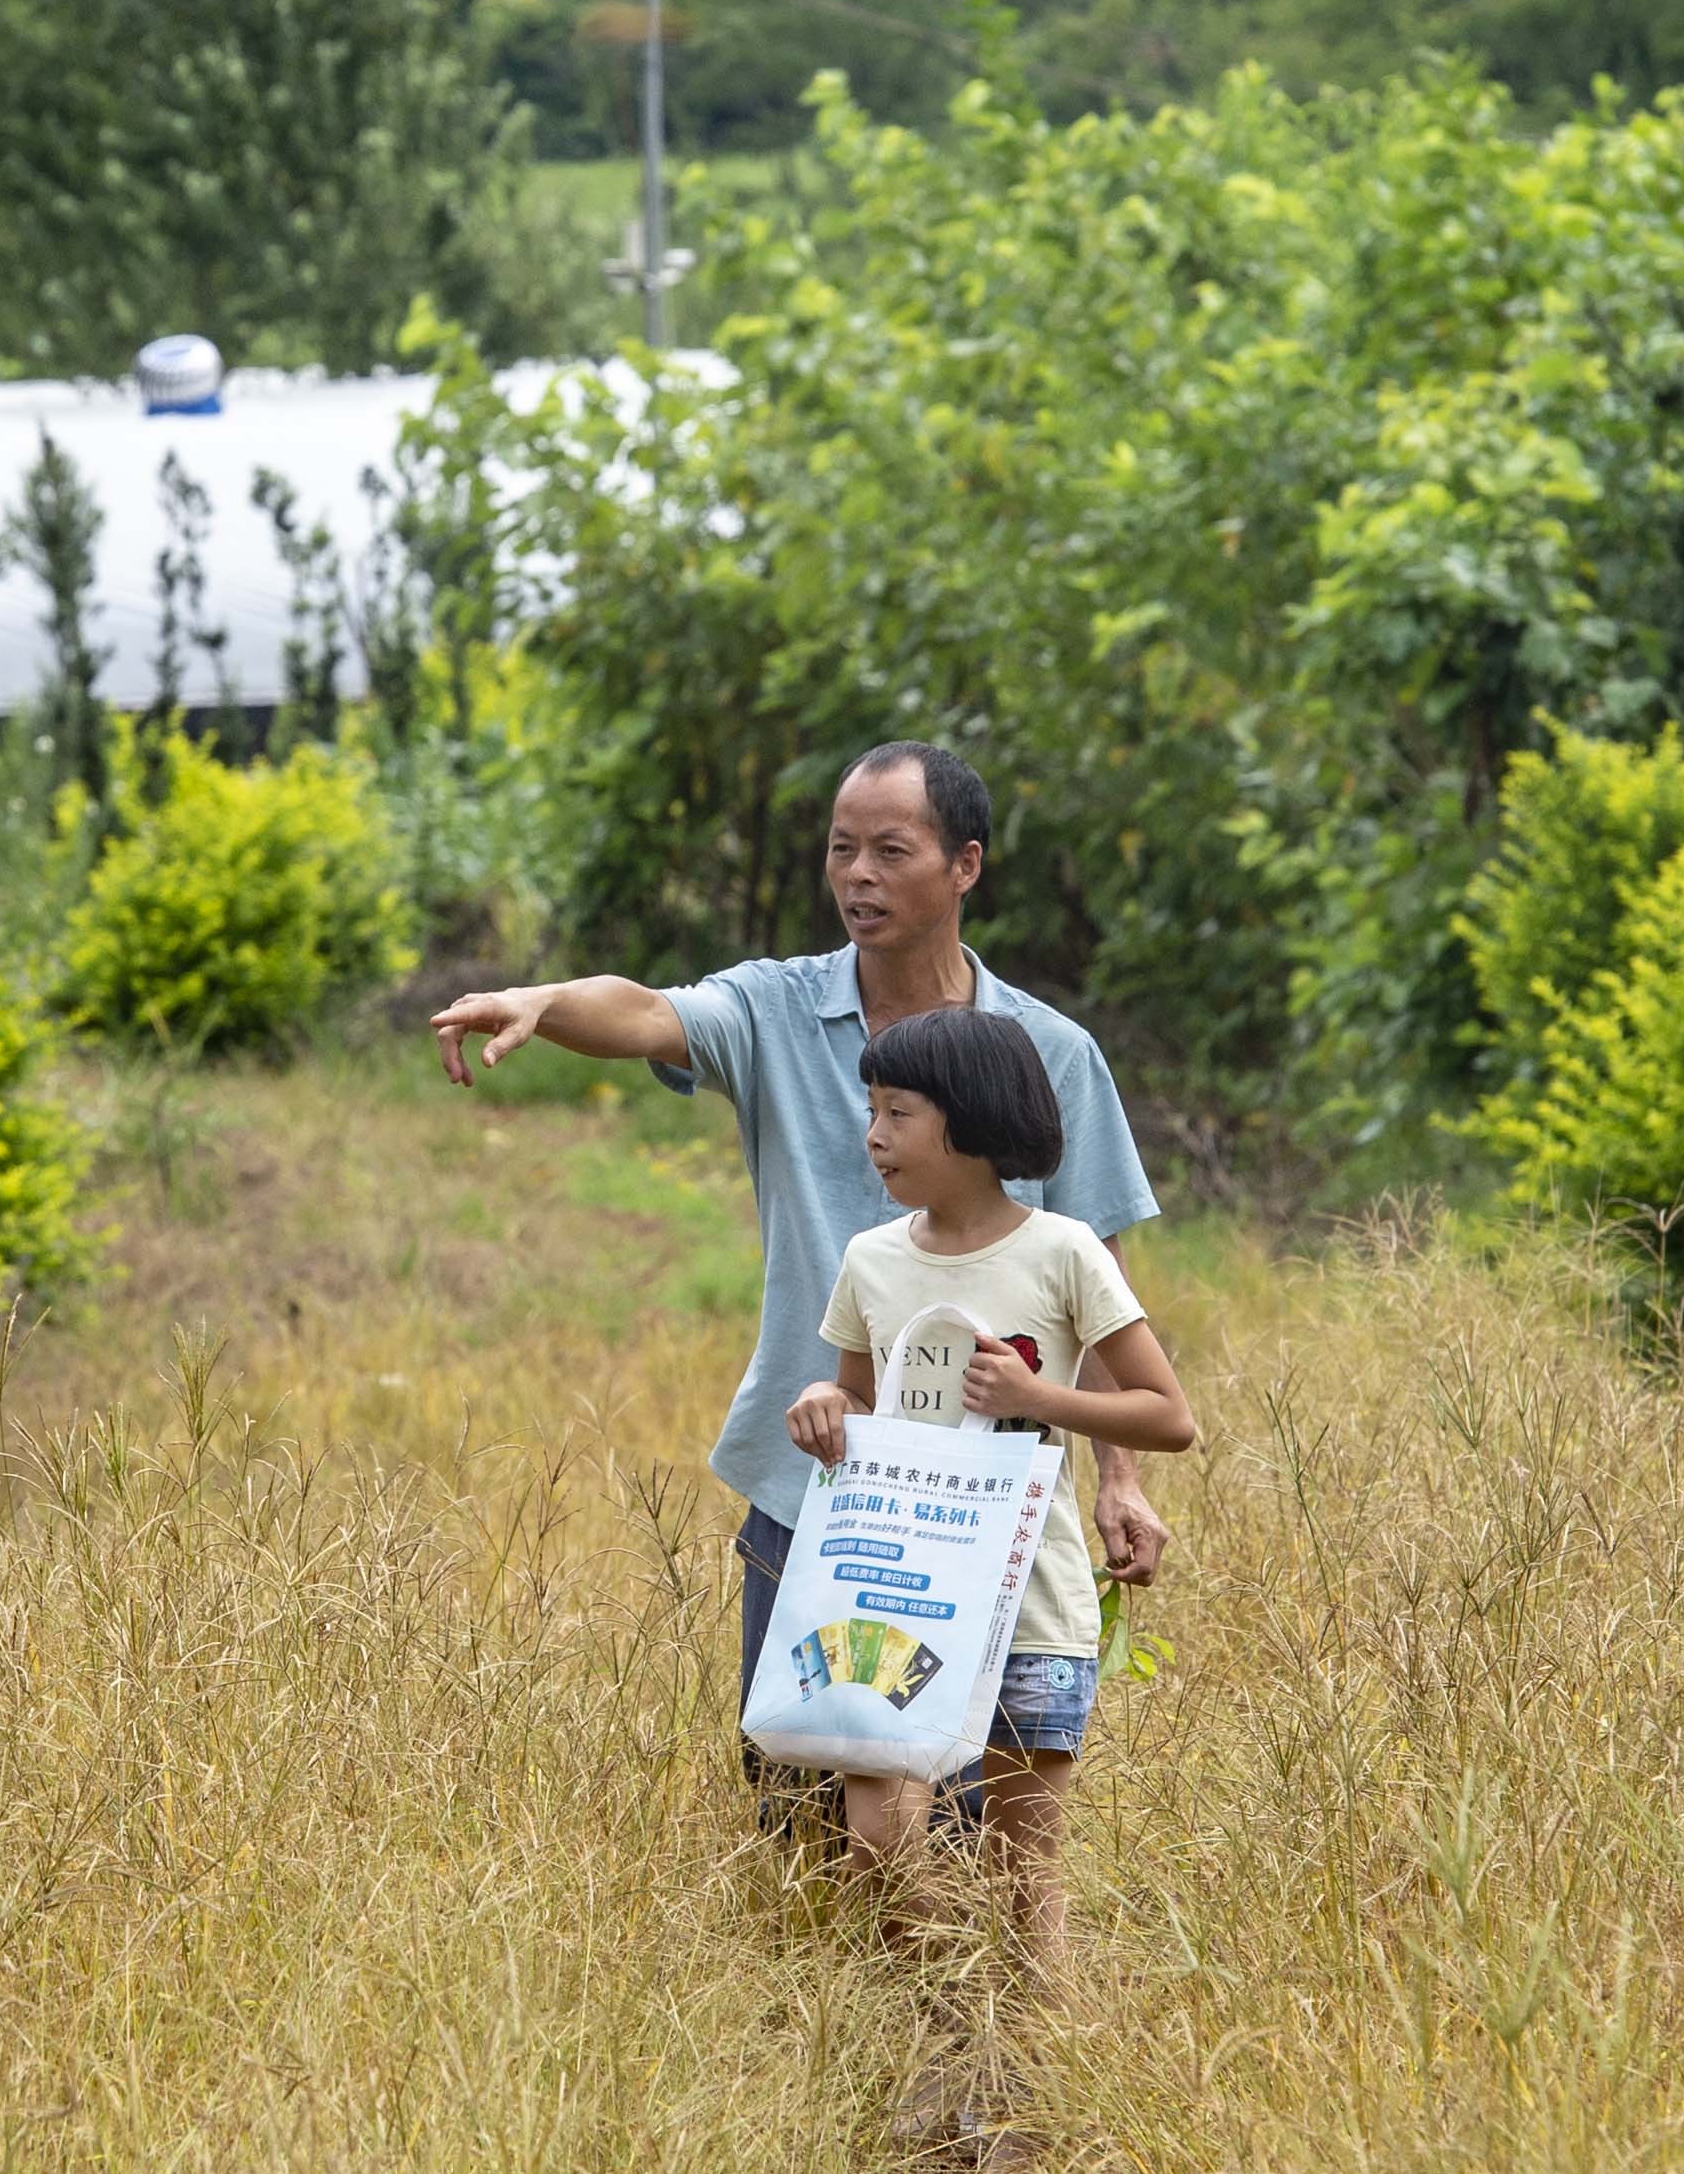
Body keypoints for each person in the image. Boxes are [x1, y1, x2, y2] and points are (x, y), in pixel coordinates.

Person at [426, 742, 1170, 1816]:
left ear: (964, 864)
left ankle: (967, 1991)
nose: (857, 874)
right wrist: (540, 997)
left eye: (888, 850)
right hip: (815, 1478)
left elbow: (1096, 1274)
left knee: (975, 1827)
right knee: (796, 1802)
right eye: (839, 848)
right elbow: (643, 1011)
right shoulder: (775, 1008)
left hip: (984, 1496)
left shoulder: (1046, 1052)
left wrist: (1119, 1476)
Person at [781, 1006, 1197, 1973]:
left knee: (1022, 1884)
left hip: (1033, 1600)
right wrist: (818, 1403)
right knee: (879, 1853)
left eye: (897, 1113)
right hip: (899, 1595)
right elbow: (853, 1392)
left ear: (970, 1120)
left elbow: (1169, 1414)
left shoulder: (1063, 1251)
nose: (873, 1136)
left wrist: (1038, 1395)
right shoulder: (872, 1260)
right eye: (871, 1110)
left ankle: (1023, 2101)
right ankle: (930, 2053)